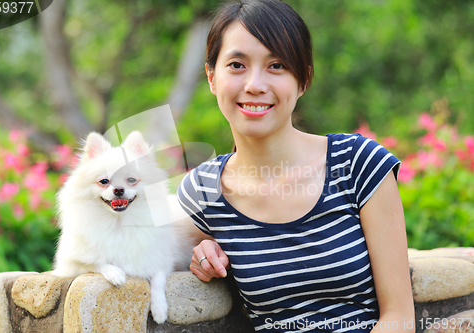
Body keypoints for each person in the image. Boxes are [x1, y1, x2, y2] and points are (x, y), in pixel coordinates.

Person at [177, 0, 415, 331]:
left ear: (303, 80)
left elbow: (400, 316)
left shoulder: (358, 163)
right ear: (211, 78)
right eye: (236, 65)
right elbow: (143, 256)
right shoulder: (201, 192)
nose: (255, 84)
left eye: (276, 65)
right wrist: (199, 254)